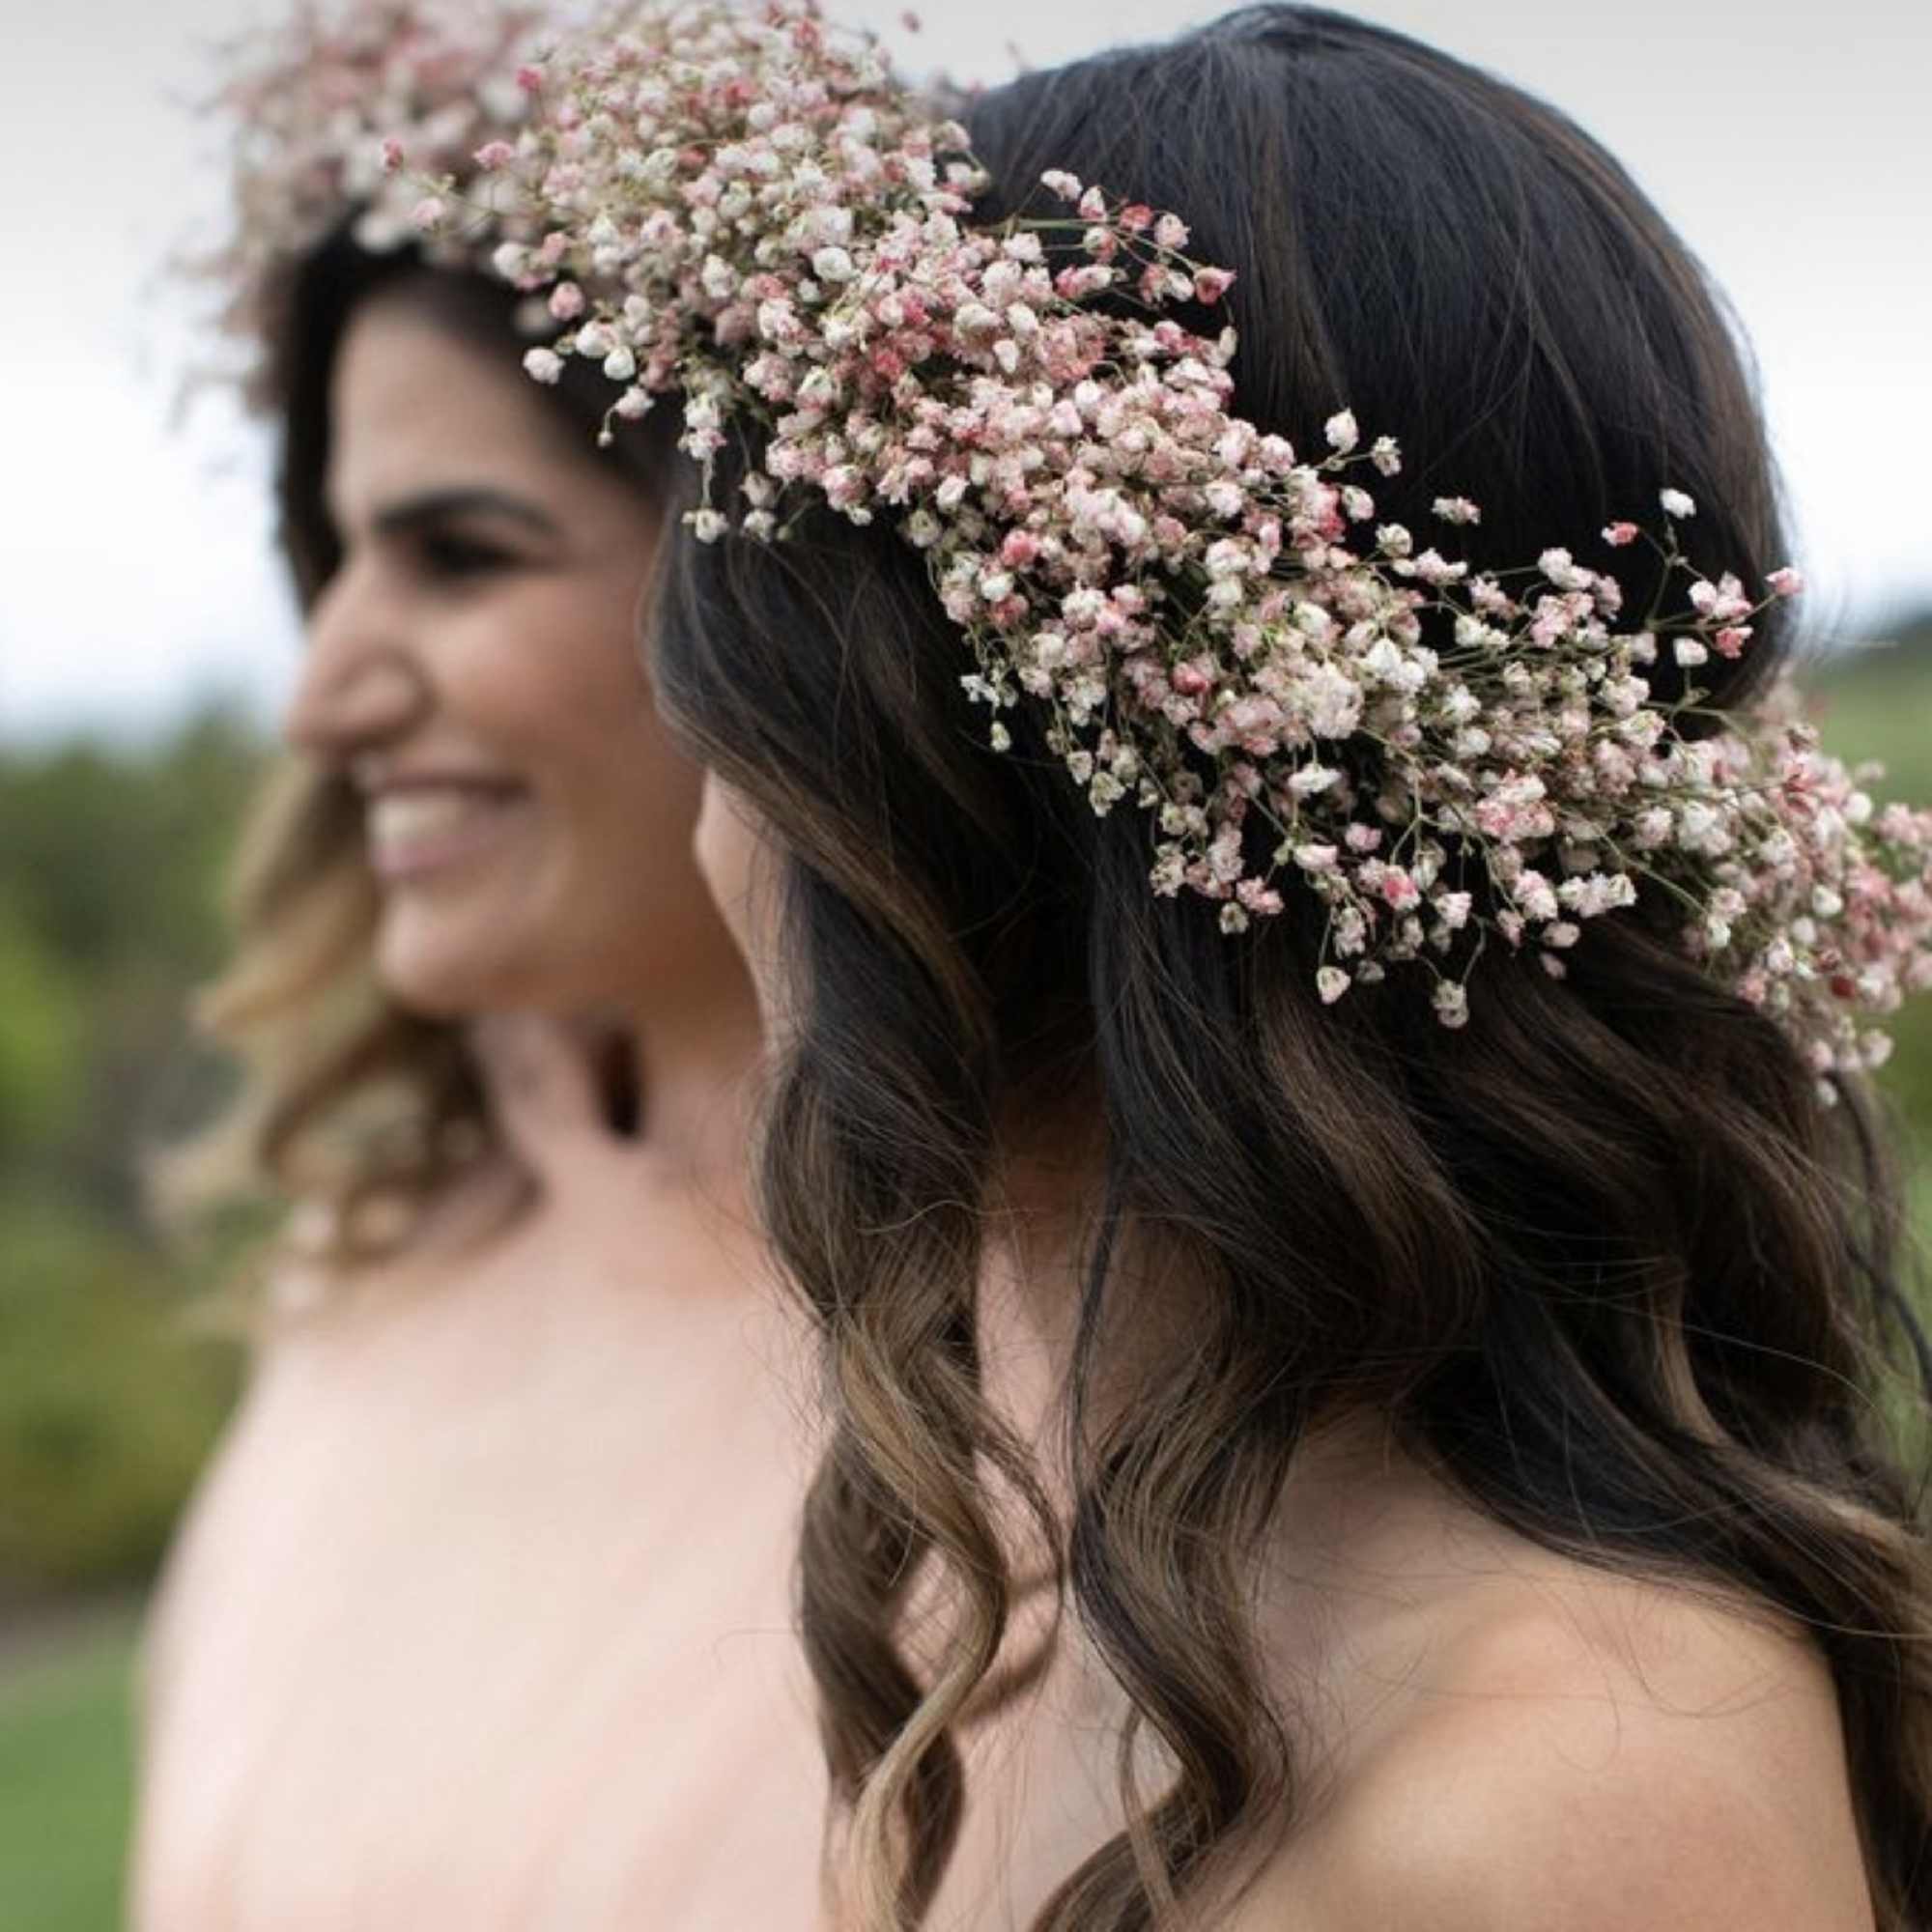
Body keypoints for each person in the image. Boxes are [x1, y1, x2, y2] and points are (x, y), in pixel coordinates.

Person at [501, 3, 1932, 1927]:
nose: (712, 849)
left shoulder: (1576, 1801)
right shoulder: (1027, 1662)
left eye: (741, 755)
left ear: (949, 815)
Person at [130, 6, 824, 1925]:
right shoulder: (372, 1269)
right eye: (333, 559)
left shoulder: (1068, 1406)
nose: (326, 690)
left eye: (457, 552)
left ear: (763, 612)